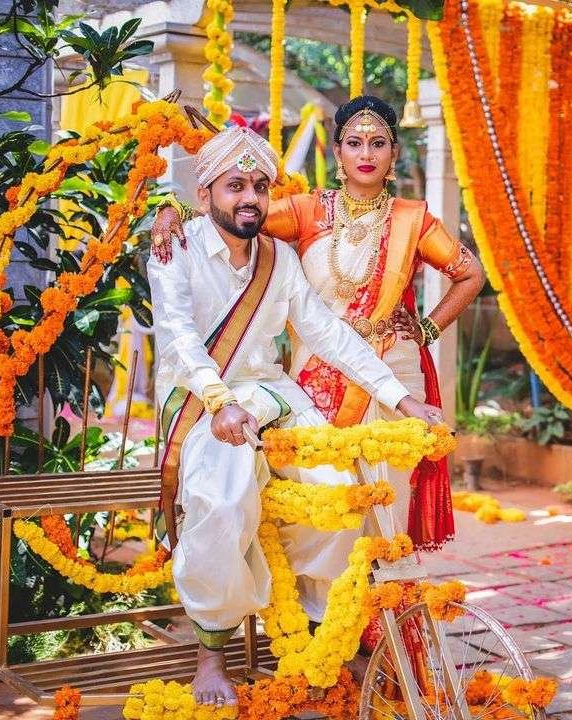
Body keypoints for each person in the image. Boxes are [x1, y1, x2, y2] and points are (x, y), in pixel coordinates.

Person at [148, 125, 442, 706]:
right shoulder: (175, 249)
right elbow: (179, 336)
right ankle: (212, 652)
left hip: (272, 395)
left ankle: (311, 637)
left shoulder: (279, 257)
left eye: (259, 186)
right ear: (204, 194)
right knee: (223, 501)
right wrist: (220, 401)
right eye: (235, 186)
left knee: (340, 496)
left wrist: (401, 398)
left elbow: (328, 333)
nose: (250, 198)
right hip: (200, 399)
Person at [152, 96, 486, 553]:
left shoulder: (414, 220)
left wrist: (428, 328)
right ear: (337, 151)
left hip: (391, 369)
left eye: (378, 143)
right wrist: (172, 207)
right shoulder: (308, 209)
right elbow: (236, 214)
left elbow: (471, 274)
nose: (366, 154)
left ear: (394, 153)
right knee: (323, 500)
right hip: (316, 372)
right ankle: (316, 597)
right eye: (354, 143)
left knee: (387, 498)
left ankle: (388, 593)